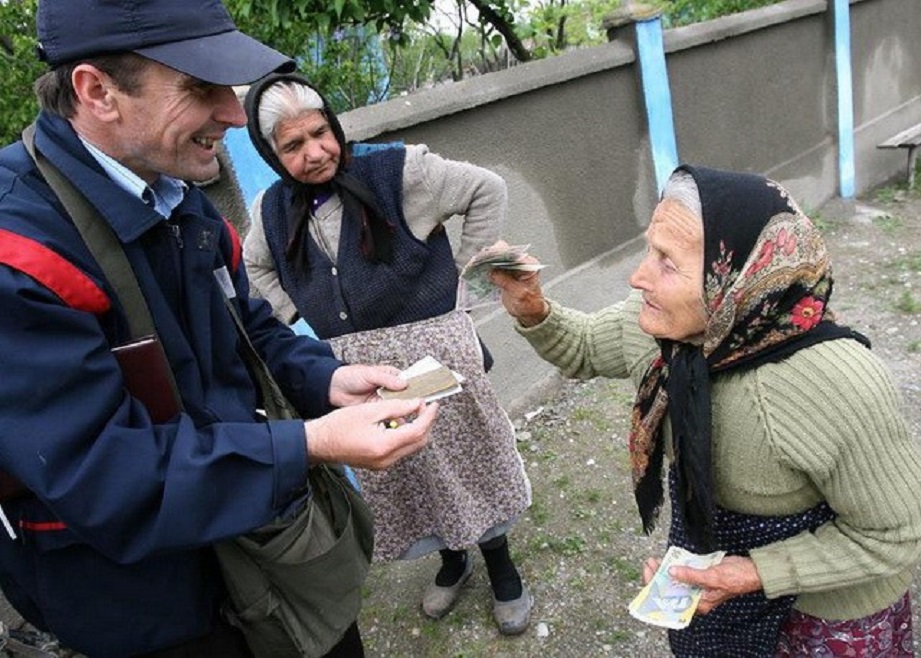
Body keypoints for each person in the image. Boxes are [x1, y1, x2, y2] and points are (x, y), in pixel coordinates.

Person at [0, 2, 440, 657]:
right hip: (151, 611)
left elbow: (252, 330)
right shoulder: (21, 252)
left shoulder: (176, 191)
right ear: (98, 91)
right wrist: (308, 445)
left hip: (264, 549)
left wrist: (327, 378)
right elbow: (105, 474)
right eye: (199, 88)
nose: (235, 116)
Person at [490, 165, 921, 656]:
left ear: (736, 280)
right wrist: (532, 307)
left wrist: (755, 571)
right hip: (721, 566)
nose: (637, 277)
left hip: (825, 610)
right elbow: (587, 345)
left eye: (667, 262)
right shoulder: (657, 328)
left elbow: (892, 533)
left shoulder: (833, 383)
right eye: (650, 250)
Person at [241, 73, 534, 634]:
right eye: (293, 146)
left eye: (320, 133)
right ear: (271, 154)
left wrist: (465, 292)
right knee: (405, 469)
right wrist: (295, 317)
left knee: (468, 459)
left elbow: (487, 190)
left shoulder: (400, 172)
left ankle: (502, 568)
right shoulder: (271, 208)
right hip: (354, 368)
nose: (316, 152)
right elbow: (255, 266)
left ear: (333, 124)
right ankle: (453, 561)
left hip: (434, 353)